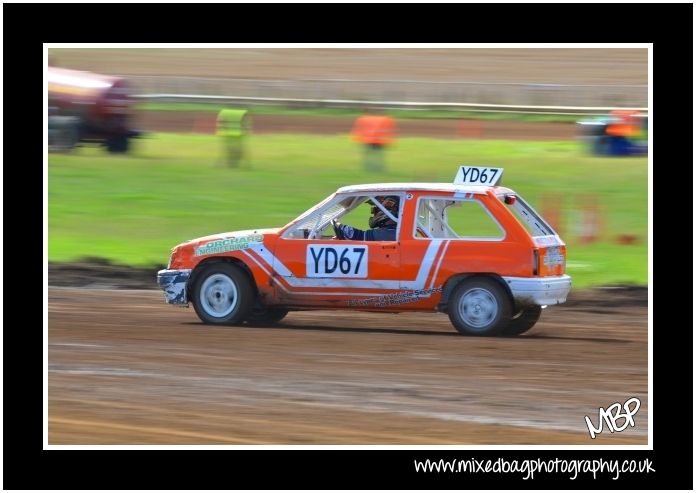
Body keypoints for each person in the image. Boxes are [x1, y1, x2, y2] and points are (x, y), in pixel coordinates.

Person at [333, 196, 399, 241]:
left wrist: (338, 225)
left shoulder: (388, 233)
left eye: (375, 210)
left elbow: (357, 236)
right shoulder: (395, 231)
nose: (373, 213)